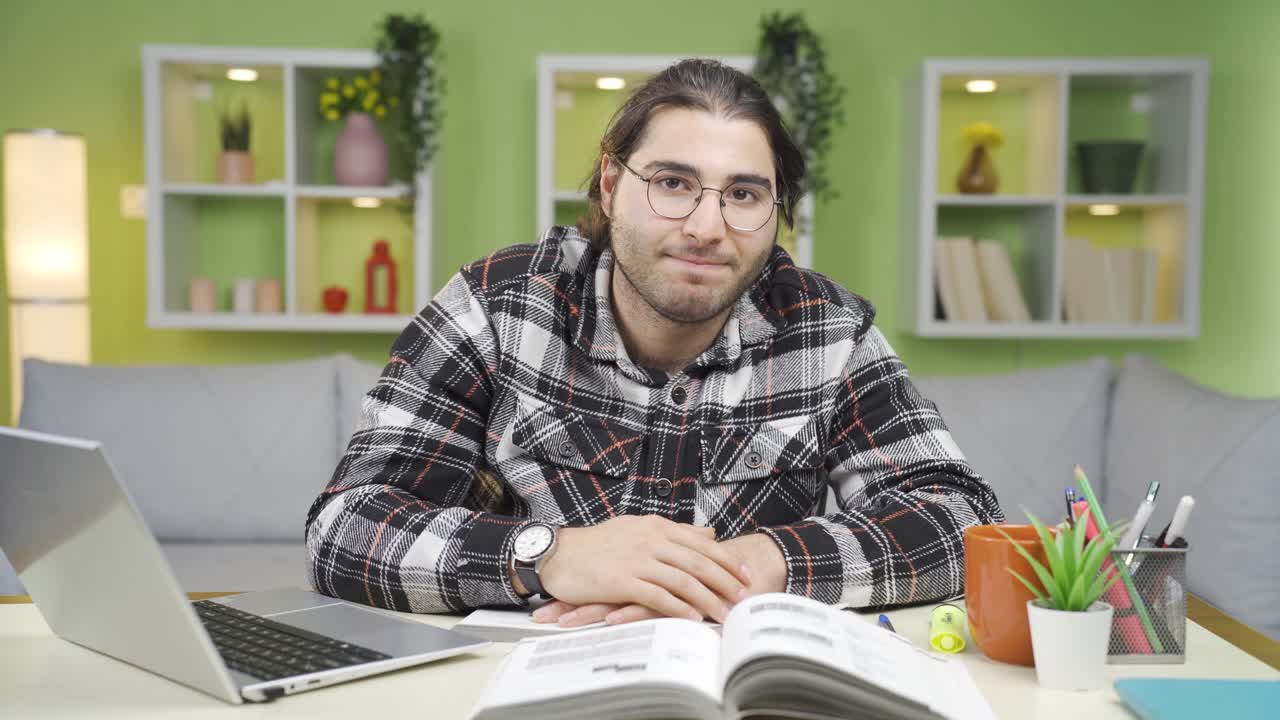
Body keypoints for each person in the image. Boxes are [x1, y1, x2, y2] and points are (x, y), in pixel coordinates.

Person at [305, 58, 1002, 629]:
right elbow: (345, 525)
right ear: (611, 185)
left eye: (744, 194)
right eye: (673, 182)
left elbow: (962, 521)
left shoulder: (828, 331)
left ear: (775, 211)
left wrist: (771, 561)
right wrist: (546, 556)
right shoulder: (495, 308)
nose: (707, 225)